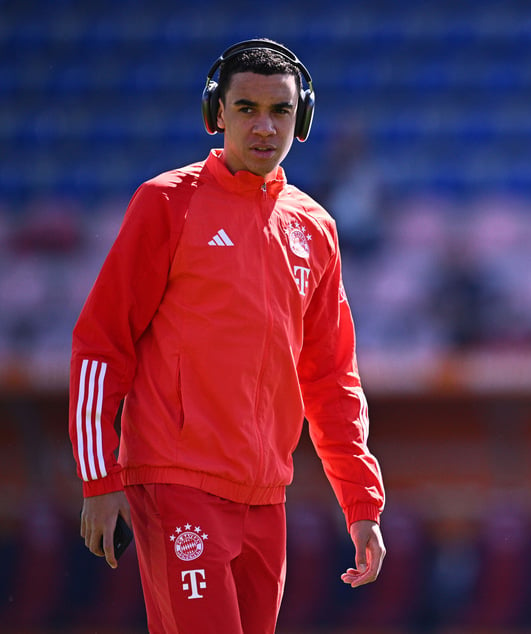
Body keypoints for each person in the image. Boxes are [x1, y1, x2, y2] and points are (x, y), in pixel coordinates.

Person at [68, 39, 385, 633]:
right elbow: (100, 346)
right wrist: (98, 477)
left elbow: (332, 377)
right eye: (246, 109)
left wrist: (361, 502)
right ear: (217, 114)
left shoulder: (315, 228)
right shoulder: (166, 204)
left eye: (281, 111)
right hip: (176, 484)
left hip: (267, 496)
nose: (264, 127)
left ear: (303, 118)